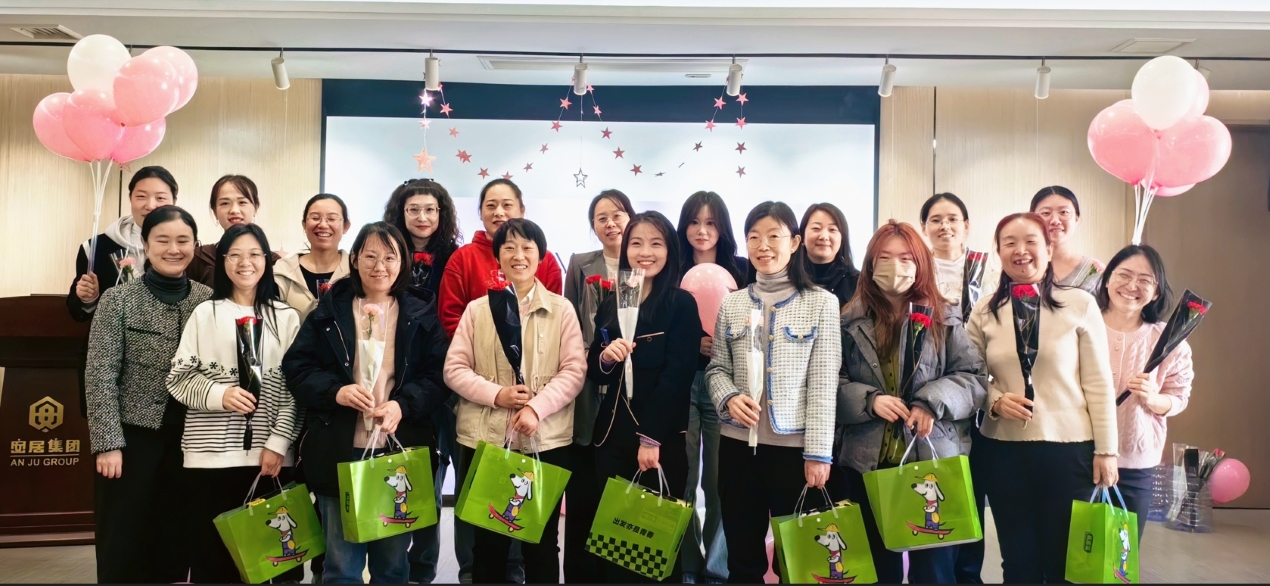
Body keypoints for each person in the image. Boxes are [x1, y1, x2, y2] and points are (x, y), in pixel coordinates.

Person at [282, 222, 450, 584]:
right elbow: (297, 368)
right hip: (340, 450)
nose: (380, 266)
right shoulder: (329, 311)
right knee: (341, 567)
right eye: (370, 256)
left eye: (390, 258)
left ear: (403, 263)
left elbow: (438, 376)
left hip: (396, 453)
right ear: (355, 259)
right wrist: (336, 392)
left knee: (392, 566)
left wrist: (402, 404)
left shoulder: (419, 314)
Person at [966, 212, 1118, 583]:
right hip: (1003, 451)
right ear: (999, 252)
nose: (1021, 250)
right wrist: (995, 400)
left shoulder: (1079, 304)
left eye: (1031, 241)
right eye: (1010, 243)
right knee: (1018, 561)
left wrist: (1107, 451)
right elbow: (968, 375)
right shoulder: (985, 310)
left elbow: (1099, 382)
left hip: (1068, 451)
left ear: (1049, 250)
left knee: (1064, 561)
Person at [835, 220, 986, 584]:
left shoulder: (945, 316)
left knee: (935, 572)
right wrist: (869, 401)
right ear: (870, 264)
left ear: (920, 263)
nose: (895, 266)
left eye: (905, 258)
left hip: (932, 461)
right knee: (876, 571)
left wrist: (931, 402)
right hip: (866, 464)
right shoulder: (848, 319)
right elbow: (828, 385)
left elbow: (974, 379)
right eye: (885, 257)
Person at [706, 201, 842, 584]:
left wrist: (818, 455)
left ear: (795, 242)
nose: (762, 246)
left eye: (773, 236)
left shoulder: (821, 303)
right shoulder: (732, 302)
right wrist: (728, 397)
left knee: (795, 564)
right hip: (737, 448)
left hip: (793, 454)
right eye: (754, 237)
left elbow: (823, 385)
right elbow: (716, 369)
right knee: (742, 560)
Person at [444, 218, 586, 584]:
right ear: (497, 257)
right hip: (488, 439)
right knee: (488, 543)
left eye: (527, 248)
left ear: (541, 256)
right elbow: (454, 369)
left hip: (546, 440)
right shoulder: (478, 310)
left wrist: (536, 408)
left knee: (541, 542)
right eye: (508, 248)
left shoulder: (561, 309)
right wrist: (497, 395)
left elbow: (574, 371)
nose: (518, 255)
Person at [166, 223, 303, 583]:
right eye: (235, 255)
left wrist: (278, 443)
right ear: (223, 261)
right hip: (209, 460)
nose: (246, 263)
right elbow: (178, 379)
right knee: (214, 565)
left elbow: (297, 392)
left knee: (278, 564)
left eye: (255, 254)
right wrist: (220, 395)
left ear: (267, 260)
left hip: (269, 462)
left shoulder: (286, 318)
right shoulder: (205, 314)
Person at [86, 205, 210, 584]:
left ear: (195, 246)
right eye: (163, 240)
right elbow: (100, 374)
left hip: (189, 441)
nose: (174, 249)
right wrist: (108, 444)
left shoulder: (208, 300)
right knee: (123, 540)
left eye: (183, 240)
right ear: (145, 244)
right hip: (131, 440)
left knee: (175, 539)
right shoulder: (118, 299)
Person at [588, 211, 701, 583]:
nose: (645, 252)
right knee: (613, 545)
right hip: (610, 437)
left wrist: (651, 438)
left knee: (652, 550)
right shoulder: (615, 300)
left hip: (657, 440)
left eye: (656, 243)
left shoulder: (680, 304)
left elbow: (677, 377)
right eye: (636, 243)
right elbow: (595, 369)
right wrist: (606, 358)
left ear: (670, 250)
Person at [382, 178, 465, 584]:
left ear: (442, 213)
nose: (422, 216)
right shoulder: (386, 253)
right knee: (406, 477)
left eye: (430, 209)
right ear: (400, 213)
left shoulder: (456, 257)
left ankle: (424, 568)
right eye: (413, 209)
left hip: (450, 381)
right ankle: (397, 568)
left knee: (439, 475)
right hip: (401, 385)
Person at [917, 192, 998, 583]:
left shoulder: (989, 272)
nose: (944, 226)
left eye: (952, 219)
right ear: (924, 228)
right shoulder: (916, 271)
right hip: (934, 401)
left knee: (971, 495)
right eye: (935, 219)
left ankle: (968, 574)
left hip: (981, 398)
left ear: (966, 226)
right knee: (937, 494)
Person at [674, 191, 749, 584]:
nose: (701, 231)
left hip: (726, 386)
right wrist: (692, 343)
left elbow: (755, 327)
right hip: (682, 383)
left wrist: (721, 345)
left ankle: (717, 567)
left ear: (722, 228)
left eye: (710, 223)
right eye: (694, 222)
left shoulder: (743, 270)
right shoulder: (672, 269)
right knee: (684, 476)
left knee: (720, 481)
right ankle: (686, 564)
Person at [561, 189, 635, 583]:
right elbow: (570, 319)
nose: (610, 223)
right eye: (601, 217)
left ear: (631, 218)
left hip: (629, 386)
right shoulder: (579, 263)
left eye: (618, 215)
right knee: (584, 493)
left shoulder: (643, 263)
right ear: (593, 225)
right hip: (588, 386)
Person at [1097, 245, 1193, 539]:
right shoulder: (1082, 327)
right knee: (1074, 550)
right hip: (1078, 456)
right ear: (1107, 279)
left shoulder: (1169, 341)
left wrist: (1153, 397)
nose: (1132, 286)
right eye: (1124, 275)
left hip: (1135, 462)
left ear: (1156, 292)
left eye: (1145, 280)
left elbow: (1179, 398)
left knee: (1120, 554)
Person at [69, 166, 178, 415]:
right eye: (141, 196)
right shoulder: (95, 247)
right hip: (112, 368)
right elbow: (77, 312)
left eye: (160, 197)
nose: (150, 205)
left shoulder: (185, 249)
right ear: (130, 199)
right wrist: (88, 298)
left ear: (174, 201)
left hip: (168, 369)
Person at [438, 178, 564, 338]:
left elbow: (553, 316)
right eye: (491, 206)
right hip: (476, 350)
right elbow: (450, 318)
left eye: (507, 205)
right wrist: (487, 345)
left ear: (522, 211)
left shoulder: (545, 259)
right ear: (480, 212)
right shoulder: (462, 258)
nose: (498, 212)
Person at [187, 175, 282, 286]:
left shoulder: (275, 263)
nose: (234, 210)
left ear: (255, 207)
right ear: (214, 211)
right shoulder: (198, 258)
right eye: (225, 203)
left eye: (242, 202)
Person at [275, 193, 352, 321]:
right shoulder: (283, 271)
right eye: (315, 218)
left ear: (346, 226)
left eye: (332, 218)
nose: (323, 225)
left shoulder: (356, 271)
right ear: (304, 224)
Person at [1030, 186, 1103, 295]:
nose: (1055, 220)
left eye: (1064, 212)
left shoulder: (1094, 271)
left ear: (1076, 219)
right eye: (1045, 213)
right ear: (1032, 220)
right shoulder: (1022, 265)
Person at [800, 202, 859, 311]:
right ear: (802, 236)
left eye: (832, 230)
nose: (824, 236)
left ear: (842, 239)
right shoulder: (788, 278)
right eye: (816, 228)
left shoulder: (858, 283)